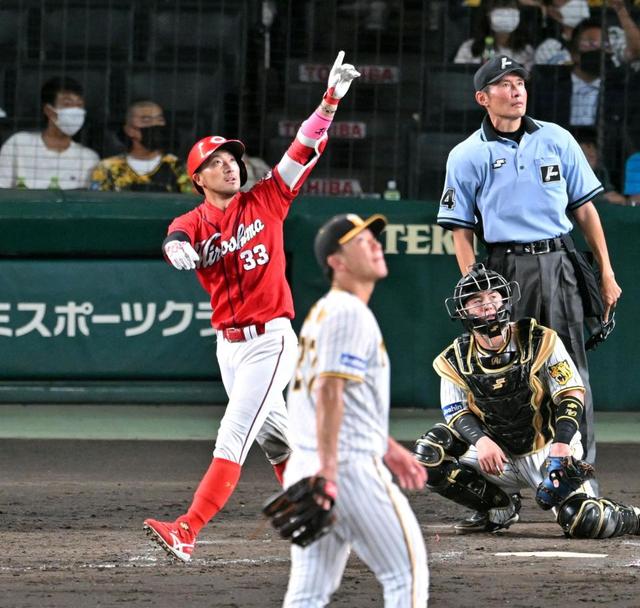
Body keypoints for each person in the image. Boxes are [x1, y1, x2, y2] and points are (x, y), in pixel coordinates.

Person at [142, 51, 361, 562]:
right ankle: (325, 523)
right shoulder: (195, 220)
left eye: (232, 159)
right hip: (230, 348)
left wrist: (329, 101)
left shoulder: (267, 198)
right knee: (279, 444)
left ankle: (187, 529)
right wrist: (178, 250)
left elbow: (301, 148)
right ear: (198, 178)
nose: (230, 166)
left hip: (271, 341)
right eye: (216, 162)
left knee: (233, 433)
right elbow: (176, 238)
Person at [437, 55, 622, 474]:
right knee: (509, 373)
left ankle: (577, 471)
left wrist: (607, 273)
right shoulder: (467, 154)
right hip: (504, 268)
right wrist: (474, 288)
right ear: (482, 98)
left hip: (560, 260)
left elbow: (587, 211)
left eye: (519, 82)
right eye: (504, 84)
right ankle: (516, 473)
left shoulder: (556, 138)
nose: (516, 89)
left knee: (571, 368)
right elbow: (460, 230)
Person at [413, 264, 640, 538]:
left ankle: (633, 518)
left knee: (585, 520)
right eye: (476, 301)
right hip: (496, 455)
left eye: (493, 297)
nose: (487, 306)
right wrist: (482, 442)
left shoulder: (540, 339)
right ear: (463, 311)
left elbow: (571, 393)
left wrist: (562, 444)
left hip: (548, 448)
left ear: (505, 300)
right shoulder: (453, 360)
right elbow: (456, 412)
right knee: (428, 453)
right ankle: (498, 508)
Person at [281, 212, 429, 607]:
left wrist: (388, 447)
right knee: (406, 574)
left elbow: (337, 398)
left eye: (374, 239)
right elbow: (330, 392)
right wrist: (330, 470)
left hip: (311, 464)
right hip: (344, 469)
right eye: (362, 241)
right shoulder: (349, 312)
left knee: (308, 592)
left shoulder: (326, 312)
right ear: (337, 261)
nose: (376, 245)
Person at [0, 76, 98, 189]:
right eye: (67, 104)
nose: (75, 111)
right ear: (48, 111)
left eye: (79, 105)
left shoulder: (89, 158)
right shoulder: (19, 143)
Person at [90, 99, 191, 193]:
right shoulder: (108, 168)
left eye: (159, 119)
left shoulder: (178, 166)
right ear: (130, 130)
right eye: (146, 120)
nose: (155, 124)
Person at [534, 0, 640, 66]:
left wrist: (620, 10)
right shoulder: (550, 48)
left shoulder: (613, 34)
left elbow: (637, 51)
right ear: (552, 11)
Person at [454, 0, 535, 70]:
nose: (505, 13)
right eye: (499, 7)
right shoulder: (469, 48)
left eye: (510, 7)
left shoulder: (527, 52)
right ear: (488, 14)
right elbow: (457, 77)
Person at [573, 126, 626, 205]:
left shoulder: (601, 172)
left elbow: (614, 196)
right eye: (586, 147)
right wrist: (604, 198)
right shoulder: (567, 173)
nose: (591, 152)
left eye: (593, 147)